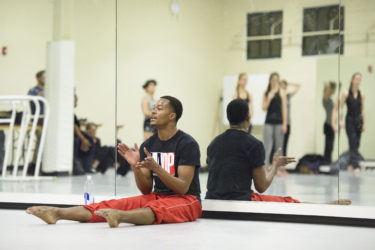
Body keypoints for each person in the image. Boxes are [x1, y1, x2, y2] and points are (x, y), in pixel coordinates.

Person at [26, 96, 202, 227]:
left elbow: (183, 187)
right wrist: (135, 166)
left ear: (172, 116)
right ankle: (57, 213)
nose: (153, 111)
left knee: (158, 209)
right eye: (153, 107)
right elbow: (146, 189)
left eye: (159, 108)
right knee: (110, 205)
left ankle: (120, 217)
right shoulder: (148, 144)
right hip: (157, 196)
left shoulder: (187, 144)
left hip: (187, 200)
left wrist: (159, 169)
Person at [205, 99, 351, 205]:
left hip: (211, 202)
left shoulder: (213, 144)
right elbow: (261, 187)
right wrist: (275, 166)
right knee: (287, 202)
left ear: (229, 118)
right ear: (248, 118)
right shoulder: (253, 144)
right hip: (240, 202)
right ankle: (323, 206)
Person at [332, 73, 365, 174]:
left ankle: (351, 164)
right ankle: (356, 166)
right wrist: (340, 120)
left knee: (357, 143)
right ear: (352, 80)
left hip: (358, 121)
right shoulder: (346, 93)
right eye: (356, 78)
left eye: (359, 79)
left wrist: (364, 123)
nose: (357, 81)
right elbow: (340, 107)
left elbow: (362, 110)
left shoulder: (362, 94)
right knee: (352, 141)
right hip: (349, 121)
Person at [262, 72, 288, 176]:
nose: (274, 82)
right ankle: (264, 168)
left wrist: (285, 124)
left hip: (279, 123)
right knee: (267, 146)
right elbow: (263, 108)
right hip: (268, 122)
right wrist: (269, 98)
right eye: (273, 80)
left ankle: (279, 169)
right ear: (270, 81)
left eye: (276, 80)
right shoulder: (266, 92)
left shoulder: (282, 92)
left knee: (279, 147)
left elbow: (284, 109)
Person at [26, 70, 46, 174]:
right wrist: (41, 94)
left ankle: (37, 163)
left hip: (47, 119)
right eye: (44, 77)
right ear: (38, 78)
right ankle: (35, 164)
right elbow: (33, 102)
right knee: (41, 137)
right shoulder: (33, 91)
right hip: (38, 120)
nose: (46, 79)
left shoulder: (49, 90)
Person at [73, 95, 94, 174]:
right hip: (73, 137)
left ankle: (88, 167)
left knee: (91, 140)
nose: (76, 103)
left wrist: (85, 133)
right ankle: (75, 165)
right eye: (76, 100)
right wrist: (83, 139)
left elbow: (77, 128)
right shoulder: (69, 114)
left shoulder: (74, 115)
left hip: (77, 134)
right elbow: (74, 128)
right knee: (76, 141)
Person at [280, 80, 300, 156]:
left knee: (285, 145)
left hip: (287, 123)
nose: (284, 88)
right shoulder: (277, 97)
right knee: (279, 146)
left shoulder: (288, 96)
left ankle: (283, 166)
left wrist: (288, 83)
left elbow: (298, 85)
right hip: (279, 124)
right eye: (282, 86)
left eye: (285, 87)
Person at [322, 81, 337, 164]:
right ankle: (326, 161)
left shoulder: (331, 99)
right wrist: (327, 86)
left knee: (331, 146)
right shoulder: (326, 99)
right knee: (328, 145)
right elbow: (326, 92)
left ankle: (328, 161)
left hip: (332, 125)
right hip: (328, 125)